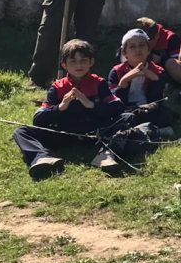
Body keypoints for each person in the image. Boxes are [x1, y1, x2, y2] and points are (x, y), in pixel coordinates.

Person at [14, 40, 127, 179]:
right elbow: (38, 119)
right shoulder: (57, 87)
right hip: (64, 133)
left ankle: (105, 155)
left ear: (91, 62)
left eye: (83, 60)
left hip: (95, 133)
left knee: (124, 122)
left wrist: (89, 104)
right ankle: (42, 158)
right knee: (22, 131)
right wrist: (61, 107)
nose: (79, 65)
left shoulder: (99, 83)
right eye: (73, 61)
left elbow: (118, 108)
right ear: (64, 65)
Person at [108, 29, 172, 135]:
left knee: (164, 116)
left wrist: (154, 79)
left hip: (148, 107)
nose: (138, 50)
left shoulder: (158, 71)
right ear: (125, 53)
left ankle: (142, 131)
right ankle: (153, 131)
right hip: (127, 108)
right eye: (132, 47)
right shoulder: (116, 71)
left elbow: (157, 99)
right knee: (125, 118)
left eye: (142, 45)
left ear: (148, 50)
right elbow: (114, 102)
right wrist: (124, 80)